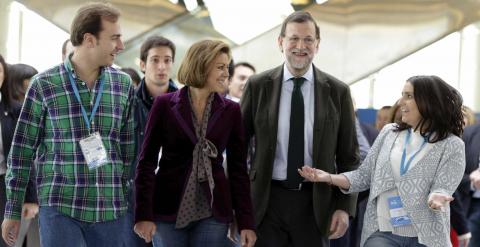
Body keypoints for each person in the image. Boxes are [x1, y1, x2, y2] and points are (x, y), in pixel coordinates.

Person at [1, 3, 135, 247]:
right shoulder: (44, 85)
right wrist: (12, 209)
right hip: (61, 207)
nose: (121, 45)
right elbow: (21, 151)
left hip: (111, 210)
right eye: (114, 37)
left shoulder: (123, 85)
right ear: (89, 39)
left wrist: (126, 197)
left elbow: (128, 150)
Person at [299, 75, 466, 247]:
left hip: (426, 236)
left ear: (428, 102)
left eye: (409, 96)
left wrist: (437, 196)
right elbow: (364, 176)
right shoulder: (389, 133)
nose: (401, 102)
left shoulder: (452, 144)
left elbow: (443, 186)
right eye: (402, 95)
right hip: (383, 231)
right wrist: (328, 177)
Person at [240, 11, 359, 247]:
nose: (300, 46)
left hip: (315, 205)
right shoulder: (257, 86)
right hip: (266, 203)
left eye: (308, 40)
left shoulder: (338, 91)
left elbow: (350, 158)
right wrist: (238, 208)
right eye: (294, 38)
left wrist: (344, 208)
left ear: (317, 44)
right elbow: (237, 149)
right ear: (280, 42)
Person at [134, 40, 256, 247]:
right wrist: (143, 214)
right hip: (167, 208)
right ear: (201, 65)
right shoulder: (164, 104)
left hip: (213, 209)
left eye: (227, 67)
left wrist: (246, 222)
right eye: (220, 67)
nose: (226, 73)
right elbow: (146, 163)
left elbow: (238, 170)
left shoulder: (231, 110)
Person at [125, 35, 178, 247]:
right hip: (133, 200)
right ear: (142, 64)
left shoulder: (186, 104)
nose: (162, 66)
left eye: (167, 60)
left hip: (172, 201)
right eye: (155, 60)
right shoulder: (127, 105)